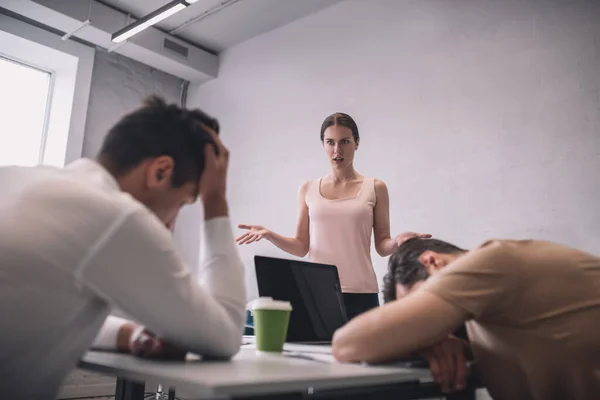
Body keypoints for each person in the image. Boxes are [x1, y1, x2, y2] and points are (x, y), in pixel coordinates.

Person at [0, 96, 246, 399]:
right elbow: (226, 336)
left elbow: (34, 317)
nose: (173, 221)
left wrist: (126, 335)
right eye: (183, 201)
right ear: (160, 172)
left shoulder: (16, 178)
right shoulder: (116, 215)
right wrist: (215, 200)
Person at [331, 237, 600, 400]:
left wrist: (419, 334)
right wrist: (427, 339)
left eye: (416, 303)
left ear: (432, 261)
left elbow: (346, 344)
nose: (418, 319)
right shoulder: (487, 317)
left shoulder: (492, 261)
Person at [236, 113, 429, 320]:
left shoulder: (375, 187)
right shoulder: (307, 189)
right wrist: (269, 234)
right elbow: (301, 246)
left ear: (357, 143)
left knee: (365, 353)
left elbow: (382, 245)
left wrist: (398, 242)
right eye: (331, 142)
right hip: (317, 294)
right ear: (323, 145)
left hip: (362, 293)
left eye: (345, 141)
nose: (337, 150)